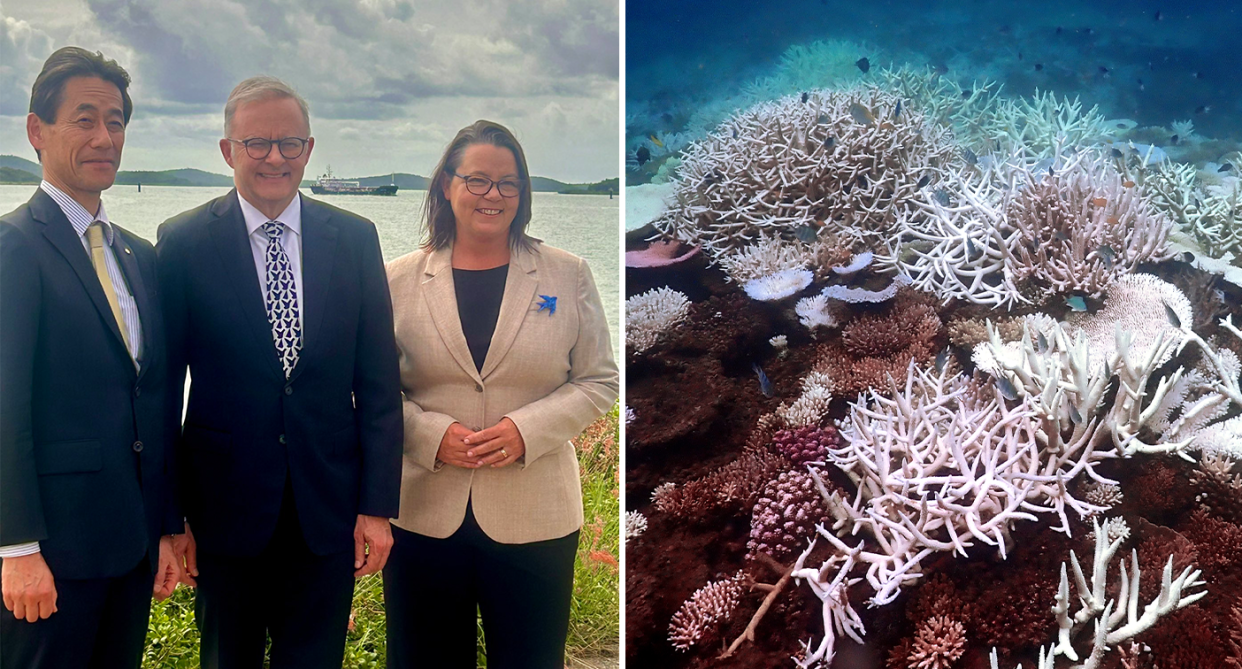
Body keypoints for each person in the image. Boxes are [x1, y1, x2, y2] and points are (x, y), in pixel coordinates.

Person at [155, 76, 402, 669]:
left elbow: (377, 384)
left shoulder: (355, 238)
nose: (274, 157)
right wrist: (170, 518)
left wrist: (377, 507)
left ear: (309, 150)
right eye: (256, 143)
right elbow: (163, 393)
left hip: (328, 507)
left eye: (289, 143)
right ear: (227, 151)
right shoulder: (183, 242)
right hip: (222, 509)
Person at [383, 119, 618, 668]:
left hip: (536, 514)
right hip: (422, 514)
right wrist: (429, 435)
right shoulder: (395, 279)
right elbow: (368, 391)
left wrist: (525, 431)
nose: (493, 195)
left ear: (524, 191)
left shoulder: (569, 274)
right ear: (447, 184)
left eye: (508, 183)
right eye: (478, 180)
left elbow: (599, 380)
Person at [0, 47, 182, 668]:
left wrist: (163, 527)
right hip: (52, 554)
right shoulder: (13, 248)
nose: (104, 136)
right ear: (36, 131)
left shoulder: (138, 255)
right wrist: (15, 547)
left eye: (115, 120)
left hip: (126, 547)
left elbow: (150, 401)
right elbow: (4, 407)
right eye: (84, 119)